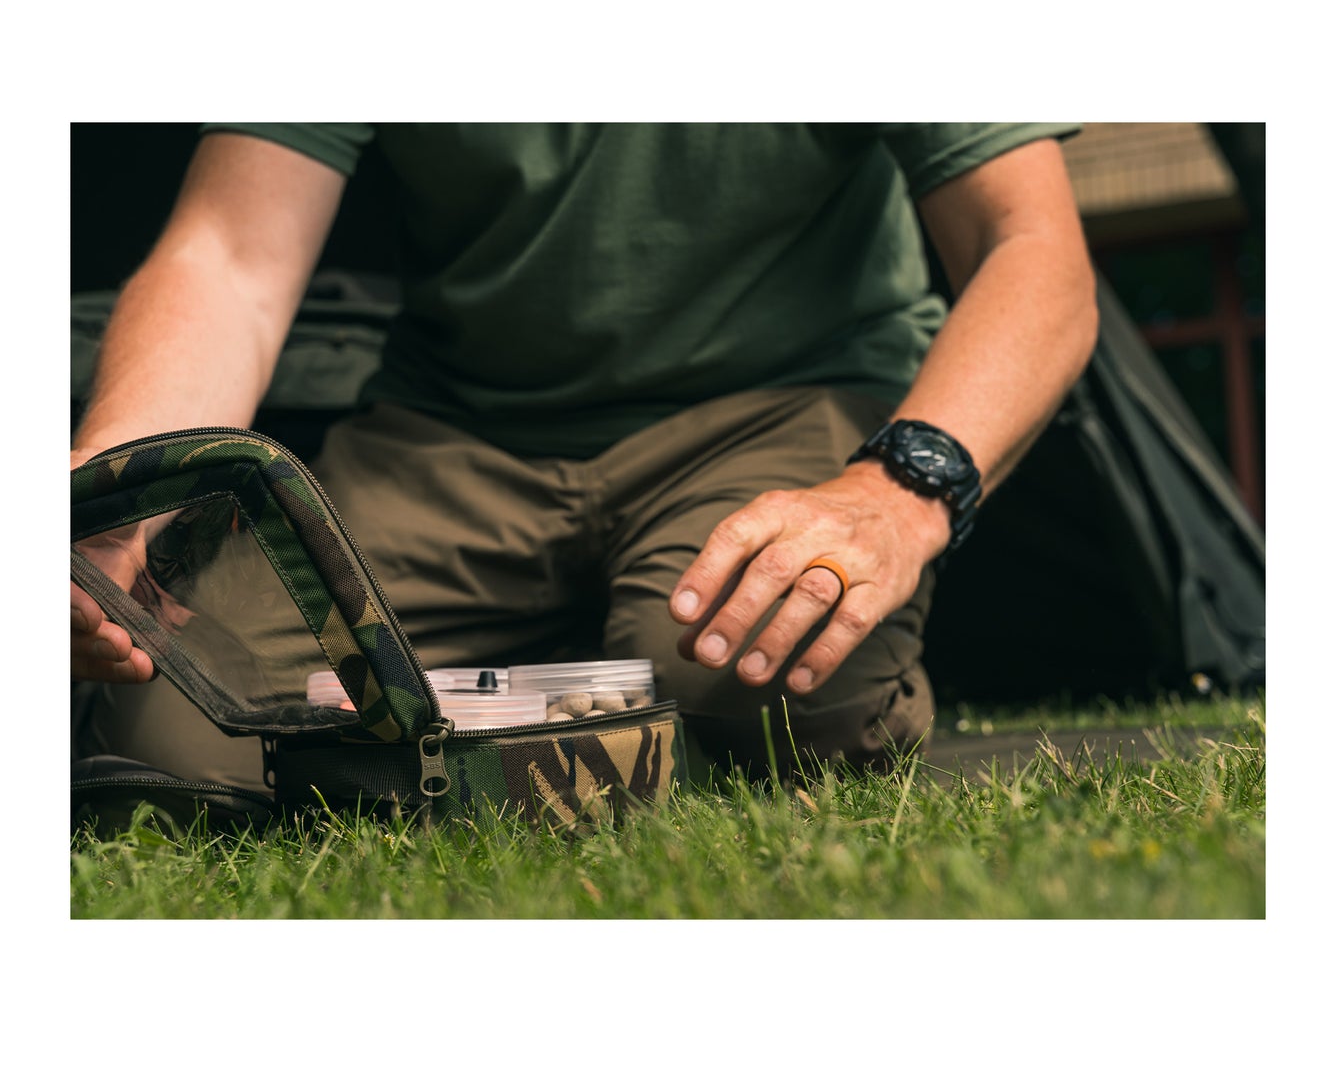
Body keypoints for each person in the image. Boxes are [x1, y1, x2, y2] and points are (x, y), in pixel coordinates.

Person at [71, 123, 1098, 787]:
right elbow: (229, 258)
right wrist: (116, 497)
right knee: (177, 732)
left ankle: (602, 654)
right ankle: (592, 655)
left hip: (778, 407)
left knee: (768, 687)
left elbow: (1029, 247)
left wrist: (894, 497)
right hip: (454, 435)